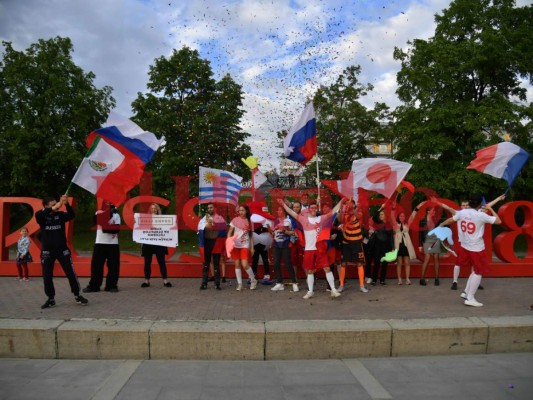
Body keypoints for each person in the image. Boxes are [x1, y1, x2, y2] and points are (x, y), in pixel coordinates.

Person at [278, 197, 346, 299]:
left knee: (327, 268)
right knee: (309, 271)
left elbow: (333, 211)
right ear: (308, 209)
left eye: (315, 208)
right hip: (309, 249)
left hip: (320, 249)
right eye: (312, 208)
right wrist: (283, 204)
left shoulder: (321, 219)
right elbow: (291, 212)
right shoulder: (303, 219)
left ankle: (333, 290)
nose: (313, 210)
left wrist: (341, 202)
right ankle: (310, 291)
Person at [440, 194, 501, 307]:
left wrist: (440, 225)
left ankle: (466, 292)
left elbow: (450, 220)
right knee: (478, 272)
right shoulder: (481, 215)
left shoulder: (462, 212)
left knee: (474, 271)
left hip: (465, 246)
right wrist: (491, 208)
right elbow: (498, 221)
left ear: (469, 202)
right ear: (480, 204)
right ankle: (470, 298)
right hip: (476, 248)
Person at [35, 195, 88, 309]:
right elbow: (39, 215)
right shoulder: (41, 216)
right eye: (53, 204)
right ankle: (51, 298)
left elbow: (71, 215)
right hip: (47, 251)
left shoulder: (60, 215)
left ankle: (77, 295)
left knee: (70, 273)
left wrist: (67, 204)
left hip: (62, 250)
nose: (57, 206)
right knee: (47, 276)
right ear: (46, 206)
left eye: (57, 204)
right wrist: (55, 207)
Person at [83, 201, 121, 293]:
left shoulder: (117, 215)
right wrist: (109, 214)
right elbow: (99, 222)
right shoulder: (98, 212)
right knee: (96, 266)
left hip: (113, 244)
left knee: (113, 266)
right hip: (100, 242)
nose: (109, 205)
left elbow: (116, 229)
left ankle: (111, 285)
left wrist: (108, 225)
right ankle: (94, 285)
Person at [338, 200, 368, 293]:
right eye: (348, 204)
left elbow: (358, 216)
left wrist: (353, 207)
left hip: (357, 242)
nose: (349, 205)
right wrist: (340, 208)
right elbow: (339, 220)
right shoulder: (345, 214)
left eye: (350, 204)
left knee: (359, 263)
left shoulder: (358, 212)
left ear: (354, 205)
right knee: (343, 263)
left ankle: (362, 285)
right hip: (346, 242)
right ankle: (341, 285)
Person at [141, 203, 172, 288]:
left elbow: (167, 230)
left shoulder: (163, 219)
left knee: (161, 262)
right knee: (147, 263)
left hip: (159, 243)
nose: (153, 210)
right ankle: (147, 281)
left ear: (158, 210)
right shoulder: (145, 219)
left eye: (155, 208)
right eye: (152, 208)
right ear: (150, 210)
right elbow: (141, 230)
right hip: (148, 243)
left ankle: (165, 281)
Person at [227, 204, 257, 291]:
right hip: (236, 245)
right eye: (240, 210)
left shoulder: (249, 221)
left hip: (245, 245)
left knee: (244, 264)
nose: (241, 212)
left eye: (243, 210)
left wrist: (252, 247)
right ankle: (240, 284)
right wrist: (229, 241)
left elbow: (251, 235)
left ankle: (253, 280)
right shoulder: (235, 220)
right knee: (237, 264)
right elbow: (230, 232)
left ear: (246, 211)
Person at [270, 205, 298, 292]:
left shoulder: (289, 220)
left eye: (280, 210)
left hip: (286, 245)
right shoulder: (275, 221)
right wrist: (271, 233)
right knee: (276, 263)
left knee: (288, 263)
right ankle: (279, 283)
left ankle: (294, 283)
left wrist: (284, 231)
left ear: (284, 211)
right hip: (276, 245)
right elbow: (273, 232)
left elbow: (294, 232)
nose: (278, 211)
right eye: (278, 210)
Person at [198, 203, 226, 290]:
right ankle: (204, 283)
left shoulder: (220, 218)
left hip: (216, 243)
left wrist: (215, 226)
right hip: (207, 243)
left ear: (215, 208)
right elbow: (199, 228)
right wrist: (206, 225)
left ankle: (217, 284)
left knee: (216, 263)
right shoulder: (204, 218)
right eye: (208, 208)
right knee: (206, 263)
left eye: (211, 207)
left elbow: (224, 229)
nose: (210, 209)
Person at [391, 208, 417, 285]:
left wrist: (415, 210)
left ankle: (407, 279)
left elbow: (412, 217)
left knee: (407, 262)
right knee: (399, 262)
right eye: (400, 216)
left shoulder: (407, 224)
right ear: (398, 217)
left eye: (403, 216)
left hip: (406, 244)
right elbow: (392, 217)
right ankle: (399, 279)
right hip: (398, 244)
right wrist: (393, 209)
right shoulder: (395, 224)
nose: (402, 217)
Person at [369, 207, 394, 286]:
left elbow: (391, 237)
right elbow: (374, 216)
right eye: (380, 214)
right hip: (377, 246)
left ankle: (382, 280)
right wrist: (381, 208)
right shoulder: (377, 223)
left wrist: (392, 247)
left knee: (384, 264)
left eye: (382, 214)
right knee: (377, 263)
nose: (380, 215)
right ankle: (374, 280)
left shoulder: (389, 224)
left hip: (386, 246)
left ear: (385, 215)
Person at [418, 205, 441, 286]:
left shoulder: (436, 220)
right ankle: (422, 278)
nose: (434, 212)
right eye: (433, 210)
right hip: (427, 240)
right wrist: (420, 244)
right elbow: (420, 233)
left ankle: (437, 278)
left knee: (436, 258)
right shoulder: (422, 221)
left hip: (435, 240)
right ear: (428, 211)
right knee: (427, 258)